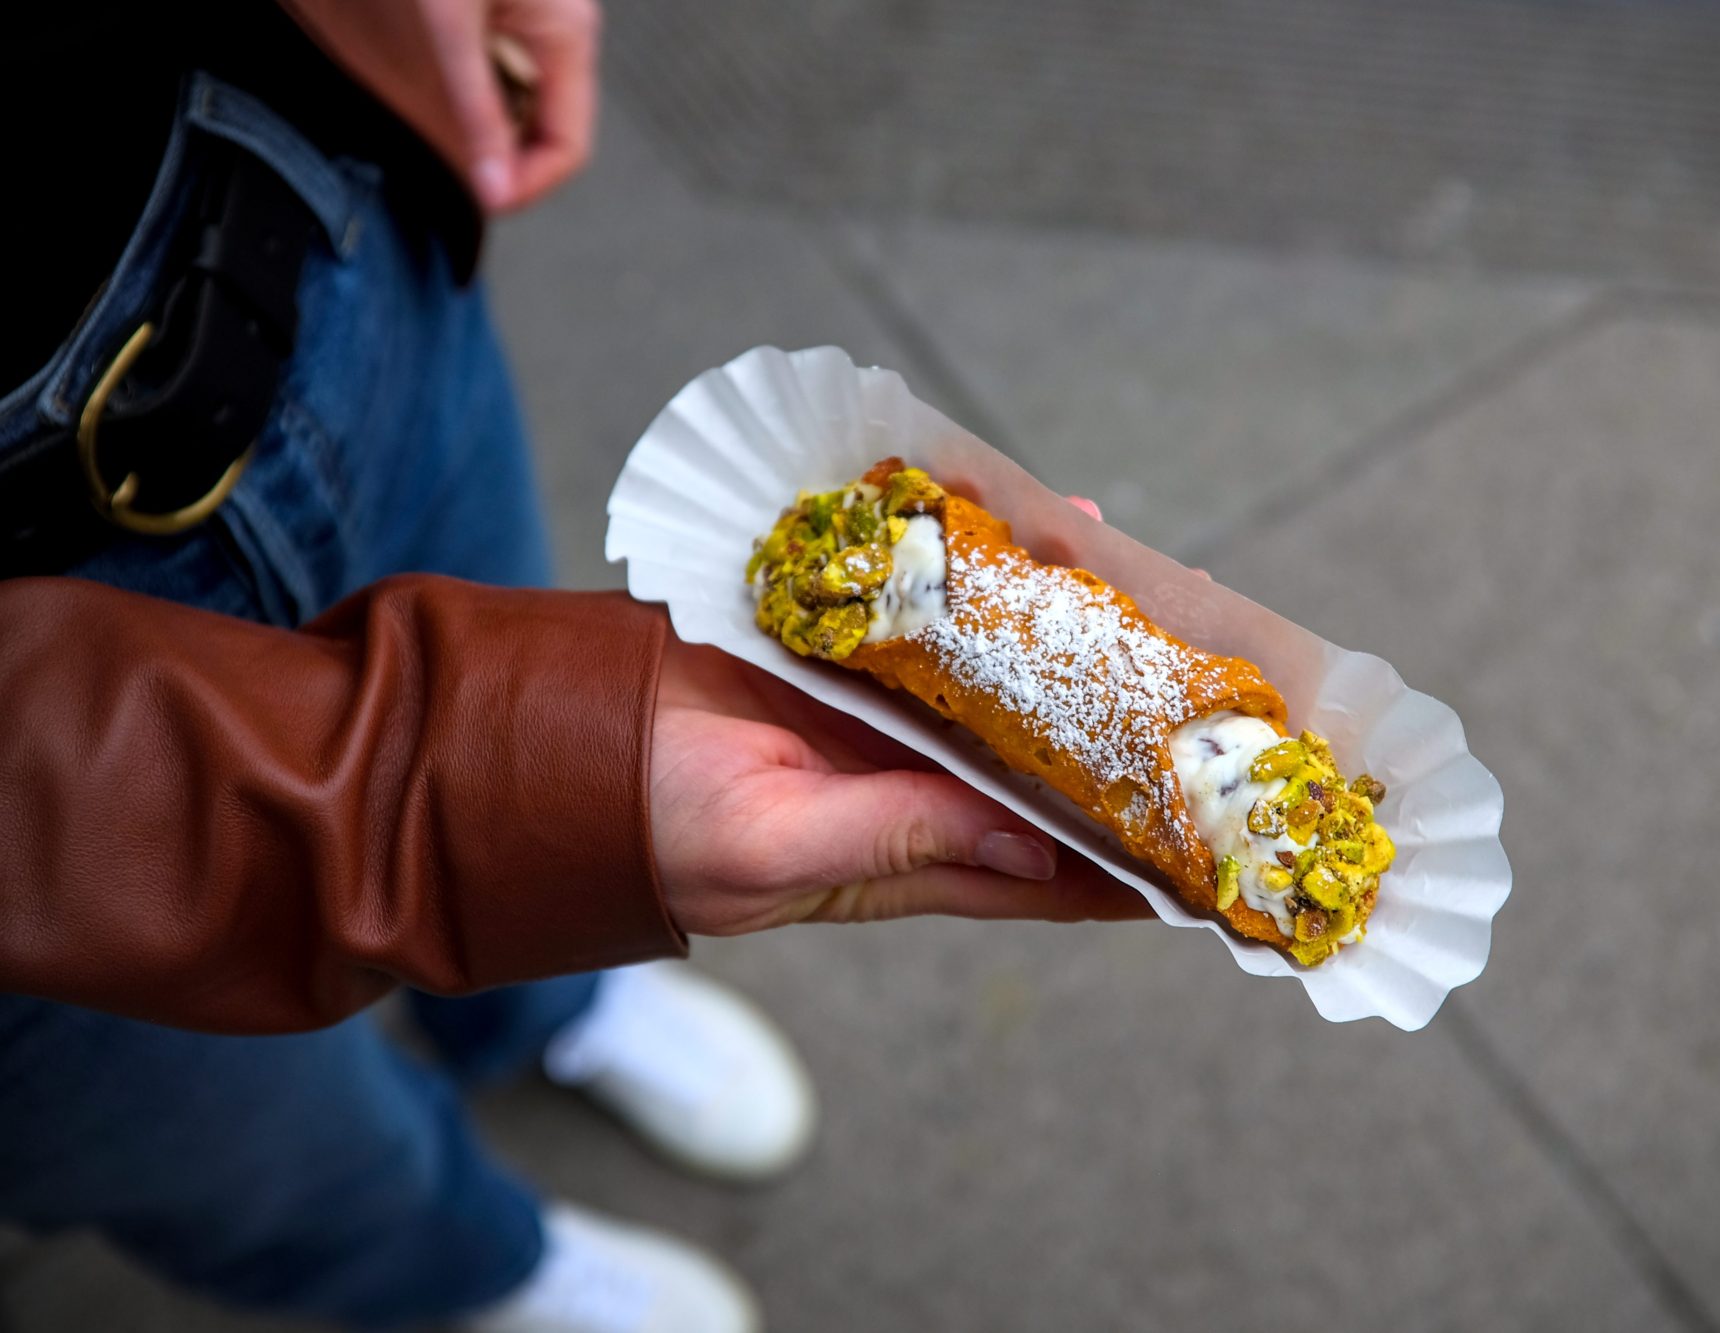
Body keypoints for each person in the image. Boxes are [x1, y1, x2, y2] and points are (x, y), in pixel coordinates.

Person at [0, 4, 1139, 1330]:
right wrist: (489, 792)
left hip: (282, 216)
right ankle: (481, 1270)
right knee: (242, 1144)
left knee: (514, 647)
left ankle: (556, 1007)